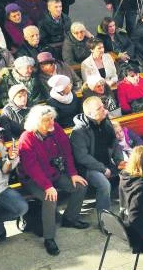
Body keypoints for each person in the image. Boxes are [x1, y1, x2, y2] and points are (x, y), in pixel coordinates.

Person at [18, 105, 90, 256]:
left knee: (80, 185)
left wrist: (73, 173)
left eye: (52, 118)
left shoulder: (55, 128)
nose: (51, 122)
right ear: (37, 122)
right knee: (49, 197)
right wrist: (47, 186)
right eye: (46, 120)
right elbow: (32, 168)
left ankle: (70, 218)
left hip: (54, 173)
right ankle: (49, 238)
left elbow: (66, 152)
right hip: (33, 179)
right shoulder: (27, 138)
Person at [70, 96, 123, 224]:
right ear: (90, 114)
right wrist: (102, 168)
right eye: (99, 108)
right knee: (104, 184)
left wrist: (119, 160)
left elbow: (114, 143)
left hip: (107, 163)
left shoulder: (106, 122)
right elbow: (82, 157)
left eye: (102, 106)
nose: (104, 110)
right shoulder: (79, 131)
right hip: (88, 169)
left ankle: (129, 214)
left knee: (131, 173)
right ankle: (105, 222)